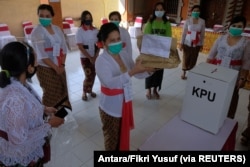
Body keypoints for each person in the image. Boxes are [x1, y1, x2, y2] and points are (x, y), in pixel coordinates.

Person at [0, 42, 64, 167]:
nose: (37, 64)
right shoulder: (15, 99)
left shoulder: (18, 84)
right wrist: (49, 124)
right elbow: (18, 140)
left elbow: (27, 105)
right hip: (20, 158)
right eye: (36, 62)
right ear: (29, 68)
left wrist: (43, 109)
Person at [95, 23, 155, 151]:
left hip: (125, 101)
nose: (116, 43)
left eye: (118, 39)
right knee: (112, 141)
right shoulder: (101, 61)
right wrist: (132, 72)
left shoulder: (124, 54)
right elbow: (110, 83)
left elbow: (136, 72)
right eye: (112, 40)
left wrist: (149, 70)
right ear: (104, 43)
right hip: (110, 107)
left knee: (123, 136)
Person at [206, 15, 250, 149]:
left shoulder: (245, 42)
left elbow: (246, 62)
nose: (236, 28)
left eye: (240, 26)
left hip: (234, 76)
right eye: (234, 25)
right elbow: (210, 56)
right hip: (217, 73)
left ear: (243, 28)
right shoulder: (221, 39)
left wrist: (243, 78)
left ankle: (226, 125)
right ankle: (212, 121)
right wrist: (206, 72)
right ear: (229, 25)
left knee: (231, 101)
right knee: (215, 98)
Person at [31, 4, 72, 110]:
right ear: (38, 16)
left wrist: (62, 64)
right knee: (50, 92)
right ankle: (47, 115)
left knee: (61, 89)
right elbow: (42, 54)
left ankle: (60, 113)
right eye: (42, 15)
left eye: (47, 15)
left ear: (52, 16)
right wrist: (55, 67)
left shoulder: (57, 29)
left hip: (59, 65)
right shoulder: (36, 32)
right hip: (45, 68)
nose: (44, 18)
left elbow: (63, 48)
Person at [143, 2, 172, 100]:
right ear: (154, 11)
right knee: (150, 70)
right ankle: (148, 89)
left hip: (162, 52)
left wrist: (166, 51)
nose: (159, 11)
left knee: (159, 71)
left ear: (164, 11)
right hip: (151, 51)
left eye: (161, 9)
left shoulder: (166, 23)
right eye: (157, 9)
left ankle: (155, 89)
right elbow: (147, 36)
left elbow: (168, 38)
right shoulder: (150, 22)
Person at [76, 10, 99, 101]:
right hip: (85, 57)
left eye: (89, 18)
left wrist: (95, 56)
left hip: (94, 56)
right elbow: (80, 46)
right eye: (86, 18)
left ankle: (90, 90)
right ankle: (84, 92)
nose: (88, 20)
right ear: (82, 19)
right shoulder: (80, 31)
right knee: (88, 75)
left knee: (93, 74)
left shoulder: (95, 30)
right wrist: (90, 57)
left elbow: (99, 44)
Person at [180, 5, 205, 80]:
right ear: (191, 12)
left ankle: (191, 72)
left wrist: (202, 44)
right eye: (194, 11)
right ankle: (183, 72)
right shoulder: (188, 21)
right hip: (187, 42)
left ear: (200, 12)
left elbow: (203, 34)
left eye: (197, 11)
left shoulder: (202, 21)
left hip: (197, 42)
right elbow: (184, 33)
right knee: (186, 57)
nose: (196, 12)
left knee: (194, 57)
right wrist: (181, 43)